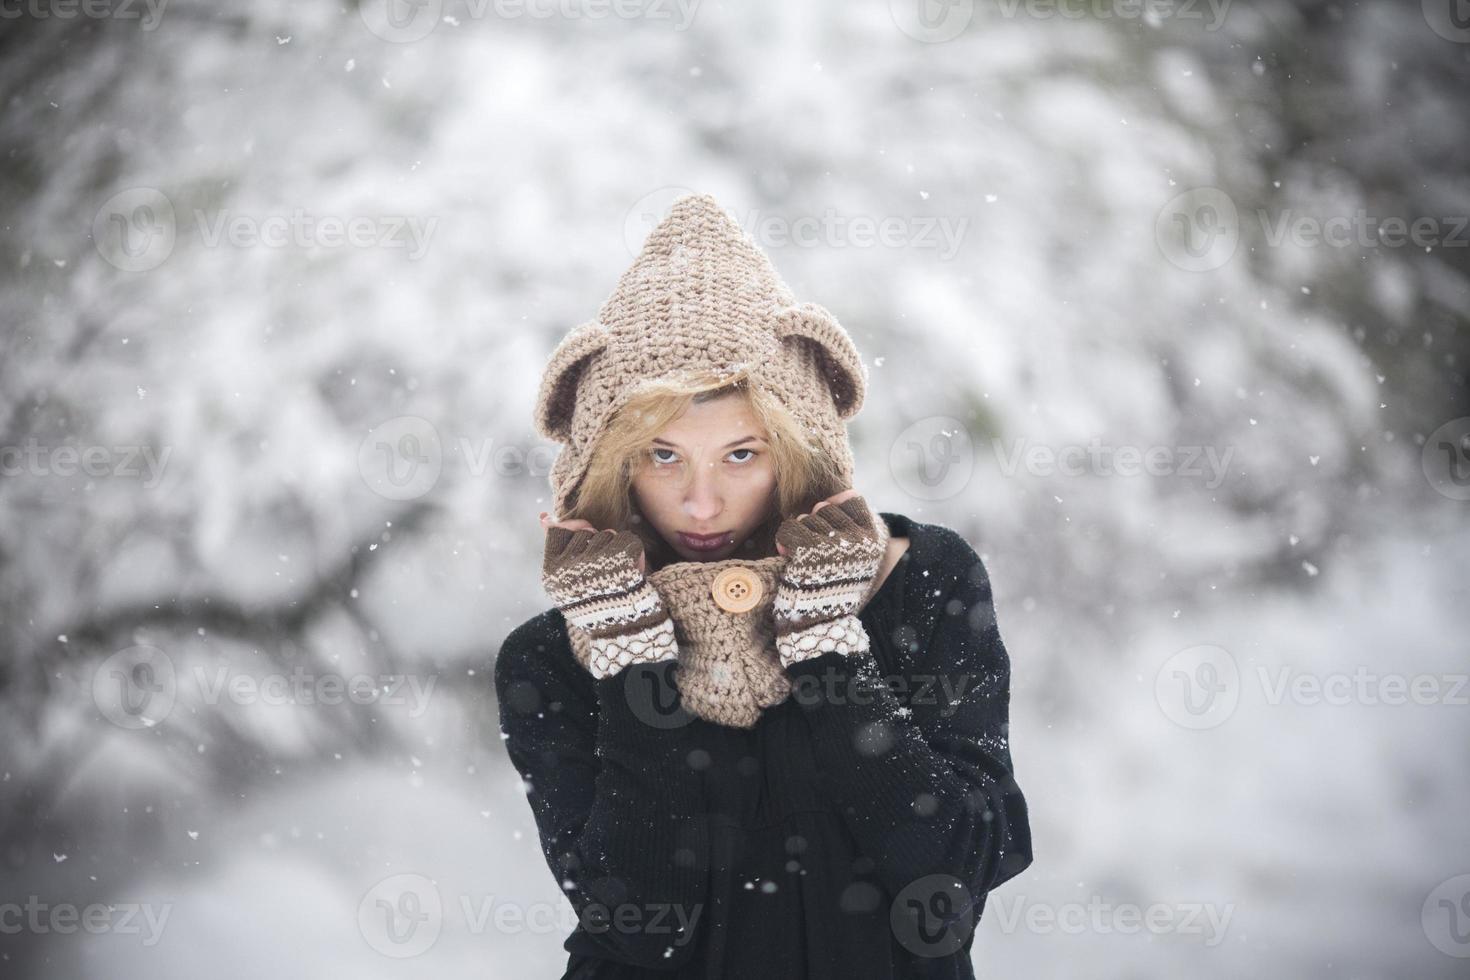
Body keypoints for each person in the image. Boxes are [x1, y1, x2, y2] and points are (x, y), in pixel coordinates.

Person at [493, 193, 1033, 978]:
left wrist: (828, 650)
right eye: (662, 455)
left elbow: (950, 874)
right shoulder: (554, 655)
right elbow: (640, 924)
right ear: (610, 461)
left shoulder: (917, 584)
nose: (702, 501)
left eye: (741, 454)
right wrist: (630, 657)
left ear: (799, 446)